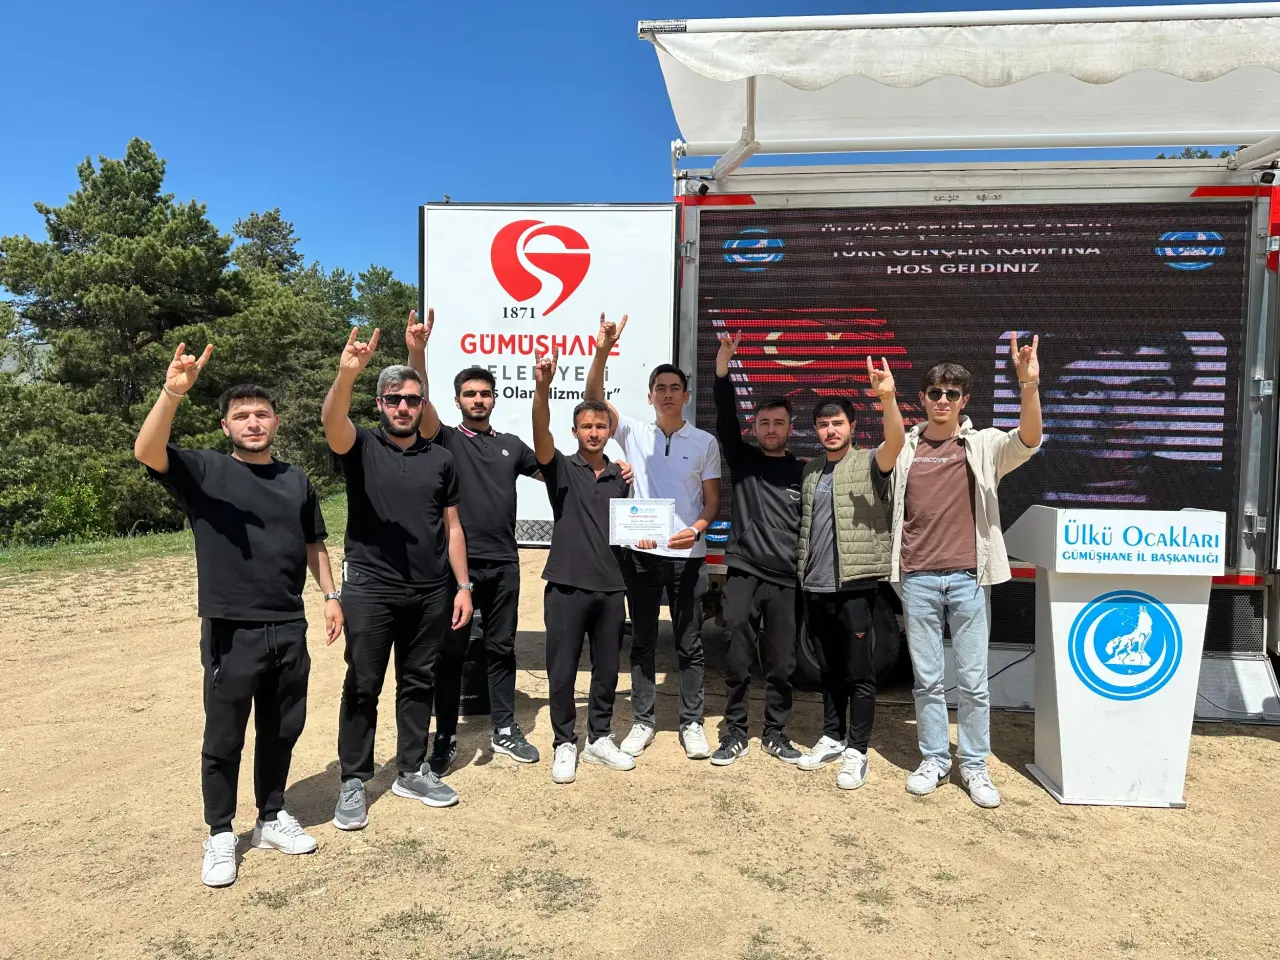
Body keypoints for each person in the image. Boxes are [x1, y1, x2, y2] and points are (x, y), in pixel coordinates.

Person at [134, 343, 342, 888]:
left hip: (288, 625)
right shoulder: (203, 471)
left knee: (283, 729)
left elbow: (313, 543)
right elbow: (147, 450)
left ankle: (270, 817)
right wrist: (171, 392)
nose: (253, 422)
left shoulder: (296, 479)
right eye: (242, 415)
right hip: (232, 627)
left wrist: (330, 595)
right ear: (226, 426)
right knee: (225, 735)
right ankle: (221, 832)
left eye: (262, 414)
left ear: (276, 422)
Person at [322, 326, 473, 830]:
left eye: (412, 399)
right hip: (370, 588)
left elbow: (453, 527)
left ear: (422, 404)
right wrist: (346, 374)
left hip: (431, 591)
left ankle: (411, 769)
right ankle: (353, 779)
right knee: (363, 684)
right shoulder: (360, 445)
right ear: (380, 404)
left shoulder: (442, 458)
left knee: (418, 680)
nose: (403, 407)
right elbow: (332, 421)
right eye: (394, 399)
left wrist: (463, 586)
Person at [891, 335, 1042, 809]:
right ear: (922, 398)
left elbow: (1029, 440)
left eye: (952, 393)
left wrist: (1029, 385)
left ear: (964, 400)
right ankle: (935, 759)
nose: (943, 400)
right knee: (927, 681)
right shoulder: (905, 446)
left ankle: (974, 764)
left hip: (969, 579)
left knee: (974, 683)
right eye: (935, 392)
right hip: (916, 577)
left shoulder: (983, 443)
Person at [404, 309, 543, 771]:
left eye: (484, 393)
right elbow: (421, 404)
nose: (478, 399)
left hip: (504, 563)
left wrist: (608, 467)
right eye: (470, 394)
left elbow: (559, 473)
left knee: (502, 648)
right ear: (458, 400)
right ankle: (444, 737)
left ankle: (504, 729)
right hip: (455, 567)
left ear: (495, 399)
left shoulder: (512, 445)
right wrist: (417, 352)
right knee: (451, 653)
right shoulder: (444, 438)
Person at [585, 314, 722, 760]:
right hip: (641, 554)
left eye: (674, 388)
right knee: (643, 642)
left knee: (690, 643)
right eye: (659, 388)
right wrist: (603, 350)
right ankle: (643, 721)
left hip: (688, 557)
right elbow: (593, 401)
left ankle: (691, 723)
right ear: (650, 396)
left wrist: (696, 529)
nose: (667, 394)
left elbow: (712, 502)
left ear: (685, 395)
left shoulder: (704, 442)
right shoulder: (633, 432)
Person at [795, 358, 904, 791]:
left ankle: (857, 750)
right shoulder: (810, 471)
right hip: (815, 586)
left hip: (855, 587)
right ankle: (832, 736)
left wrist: (887, 397)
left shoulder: (869, 462)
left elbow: (896, 441)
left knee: (860, 674)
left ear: (852, 426)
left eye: (837, 423)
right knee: (828, 670)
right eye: (823, 424)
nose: (830, 430)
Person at [530, 348, 637, 784]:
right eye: (586, 426)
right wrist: (542, 389)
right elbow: (540, 432)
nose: (594, 432)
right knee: (562, 669)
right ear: (574, 431)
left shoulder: (622, 477)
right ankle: (563, 742)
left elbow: (634, 527)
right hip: (566, 585)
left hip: (611, 587)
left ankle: (599, 738)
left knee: (607, 670)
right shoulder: (559, 467)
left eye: (601, 425)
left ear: (610, 430)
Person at [710, 330, 805, 766]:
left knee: (782, 664)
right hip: (744, 571)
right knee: (737, 657)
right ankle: (734, 732)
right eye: (764, 423)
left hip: (786, 578)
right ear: (755, 428)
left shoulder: (805, 471)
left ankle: (775, 733)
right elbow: (724, 417)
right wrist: (723, 367)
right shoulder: (743, 459)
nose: (770, 429)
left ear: (790, 428)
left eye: (778, 423)